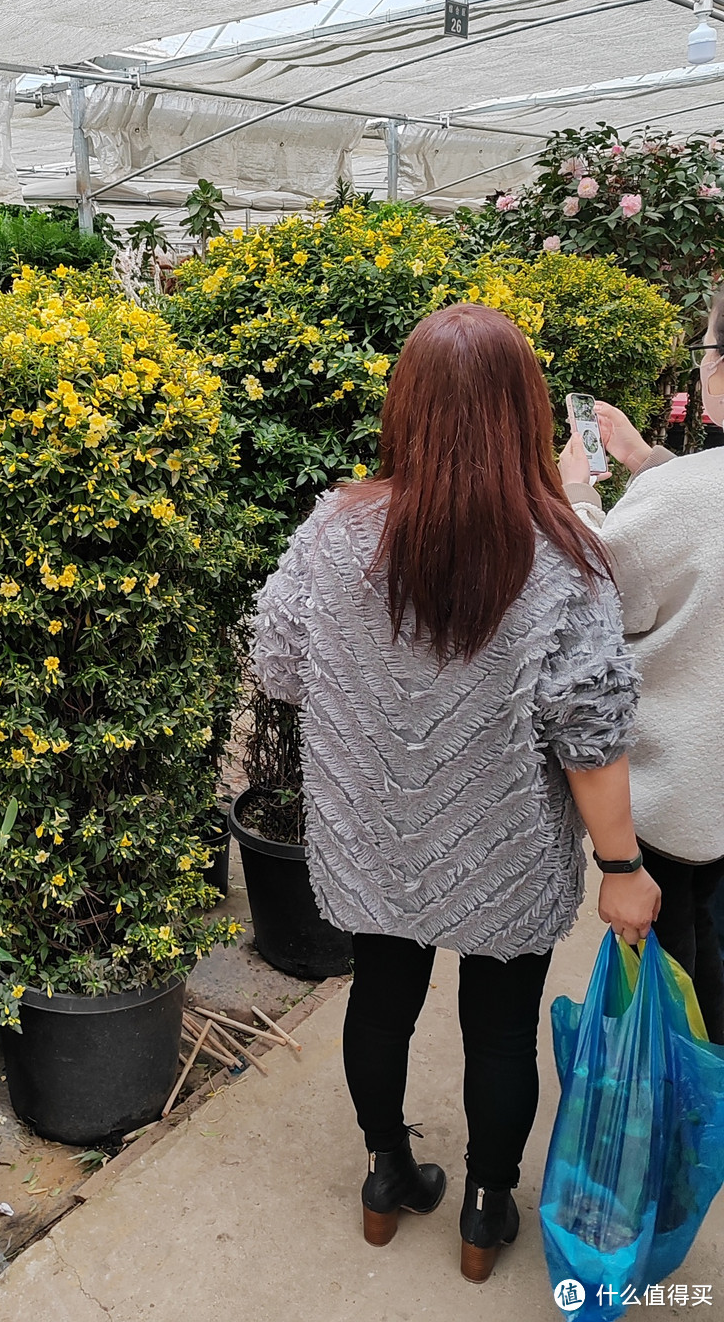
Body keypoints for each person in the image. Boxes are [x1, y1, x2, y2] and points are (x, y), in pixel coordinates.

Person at [250, 303, 659, 1283]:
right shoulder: (562, 555)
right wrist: (622, 867)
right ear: (523, 412)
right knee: (500, 1028)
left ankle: (385, 1178)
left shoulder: (336, 530)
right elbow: (590, 731)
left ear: (407, 409)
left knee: (381, 998)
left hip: (375, 831)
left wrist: (378, 693)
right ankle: (484, 1211)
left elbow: (275, 661)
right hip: (506, 845)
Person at [558, 290, 724, 1044]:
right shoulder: (679, 490)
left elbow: (596, 596)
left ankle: (685, 1128)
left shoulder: (680, 498)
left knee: (682, 971)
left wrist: (578, 498)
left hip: (684, 797)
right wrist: (645, 460)